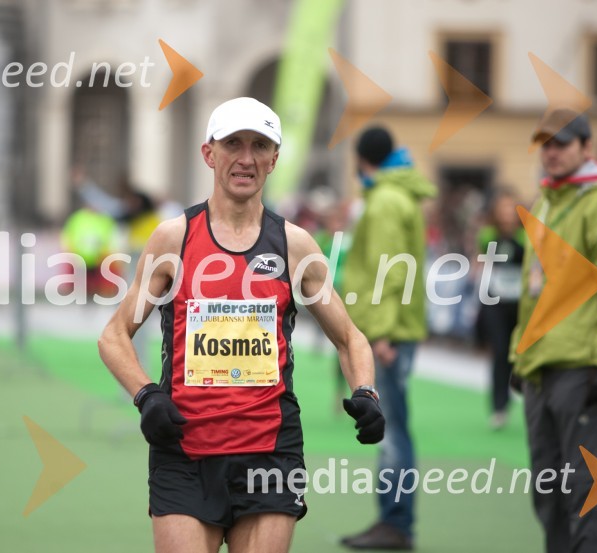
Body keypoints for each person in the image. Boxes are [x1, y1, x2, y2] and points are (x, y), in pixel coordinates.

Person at [98, 97, 385, 553]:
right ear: (209, 153)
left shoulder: (294, 244)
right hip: (185, 449)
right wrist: (146, 394)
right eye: (233, 143)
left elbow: (350, 337)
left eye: (259, 145)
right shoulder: (174, 237)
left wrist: (366, 391)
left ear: (274, 158)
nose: (246, 158)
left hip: (269, 451)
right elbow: (114, 335)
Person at [509, 109, 597, 553]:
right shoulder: (546, 201)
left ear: (587, 147)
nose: (552, 152)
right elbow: (533, 290)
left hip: (584, 367)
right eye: (545, 144)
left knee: (586, 493)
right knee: (548, 494)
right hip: (541, 366)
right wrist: (518, 355)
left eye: (562, 143)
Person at [341, 126, 437, 550]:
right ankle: (394, 520)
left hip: (385, 331)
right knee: (396, 426)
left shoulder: (382, 201)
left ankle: (395, 523)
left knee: (392, 430)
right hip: (397, 326)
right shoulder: (401, 195)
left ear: (361, 159)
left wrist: (377, 333)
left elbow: (389, 270)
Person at [475, 189, 526, 430]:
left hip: (520, 303)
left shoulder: (525, 237)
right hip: (495, 301)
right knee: (499, 352)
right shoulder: (488, 235)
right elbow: (480, 261)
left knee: (520, 354)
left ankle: (523, 394)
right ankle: (499, 406)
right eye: (502, 209)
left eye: (510, 209)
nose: (506, 214)